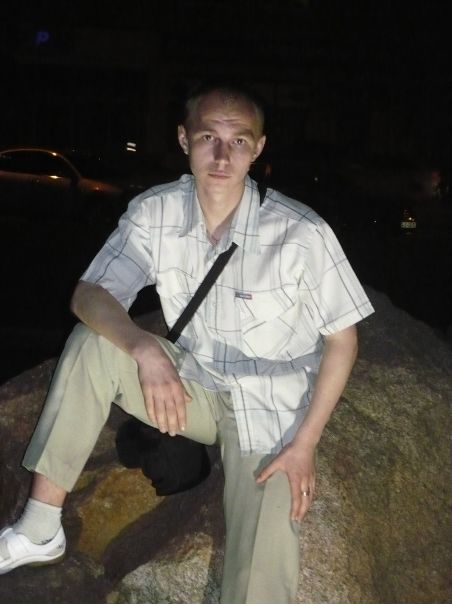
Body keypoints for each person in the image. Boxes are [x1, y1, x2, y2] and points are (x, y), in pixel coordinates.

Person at [0, 83, 374, 603]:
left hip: (269, 407)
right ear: (184, 140)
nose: (222, 156)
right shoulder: (156, 212)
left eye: (238, 141)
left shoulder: (300, 232)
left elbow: (342, 339)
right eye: (207, 137)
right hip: (192, 385)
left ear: (259, 148)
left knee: (265, 542)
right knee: (93, 342)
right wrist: (142, 347)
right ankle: (41, 526)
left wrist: (305, 444)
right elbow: (90, 293)